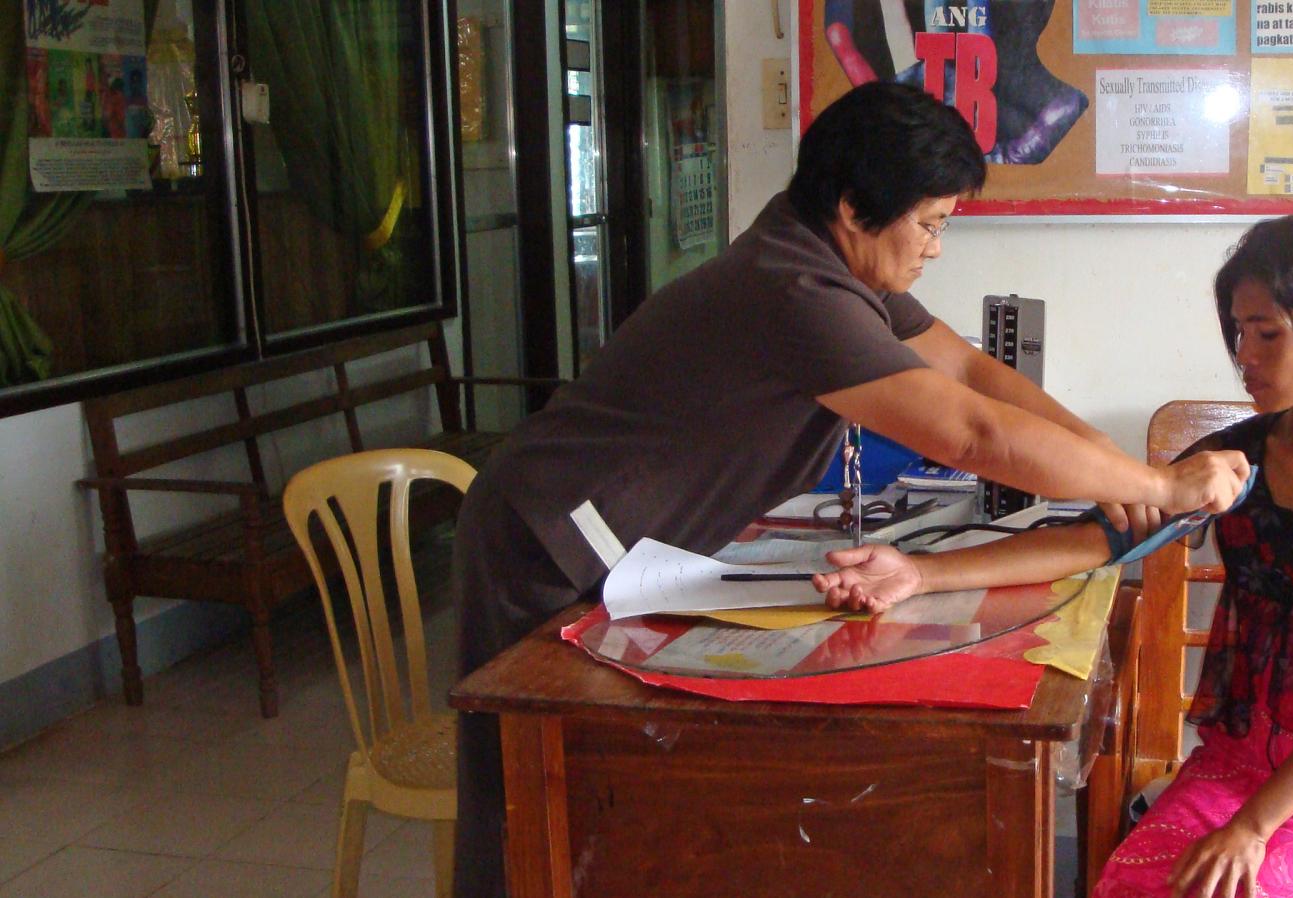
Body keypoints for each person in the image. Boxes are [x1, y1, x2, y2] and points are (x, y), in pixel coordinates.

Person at [450, 81, 1250, 897]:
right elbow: (970, 434)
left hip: (627, 538)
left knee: (625, 789)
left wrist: (1115, 471)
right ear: (852, 207)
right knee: (530, 792)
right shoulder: (795, 290)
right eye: (931, 223)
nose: (936, 247)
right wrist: (1158, 480)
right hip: (546, 533)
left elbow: (972, 373)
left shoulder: (835, 268)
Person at [814, 216, 1293, 897]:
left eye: (1267, 333)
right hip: (1240, 766)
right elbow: (1092, 542)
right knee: (1130, 885)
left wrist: (1253, 827)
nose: (1245, 355)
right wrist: (920, 573)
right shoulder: (1238, 460)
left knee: (1250, 887)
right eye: (1238, 332)